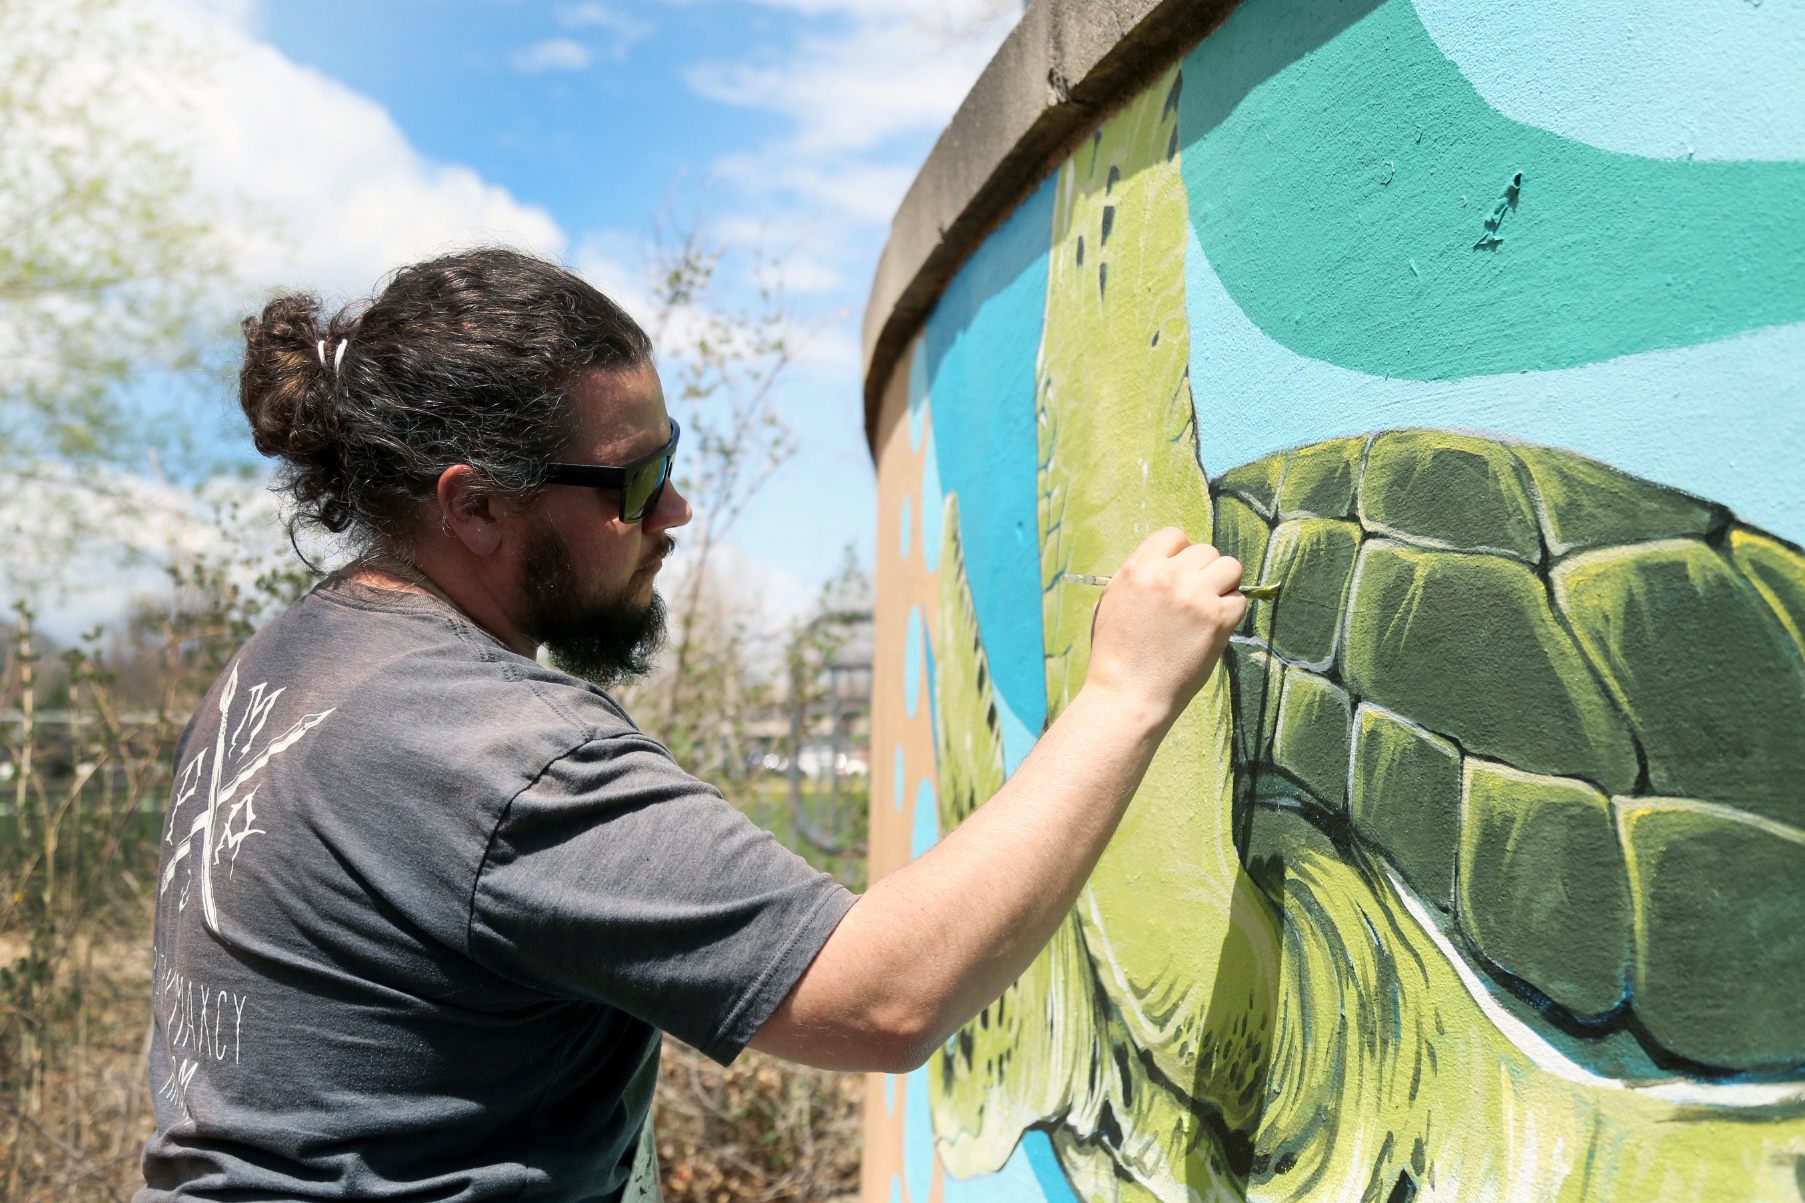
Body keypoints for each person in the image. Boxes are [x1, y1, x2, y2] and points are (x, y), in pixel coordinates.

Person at [138, 248, 1247, 1203]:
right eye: (636, 481)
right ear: (472, 504)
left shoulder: (281, 668)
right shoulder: (496, 751)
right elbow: (882, 996)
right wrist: (1124, 696)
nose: (673, 513)